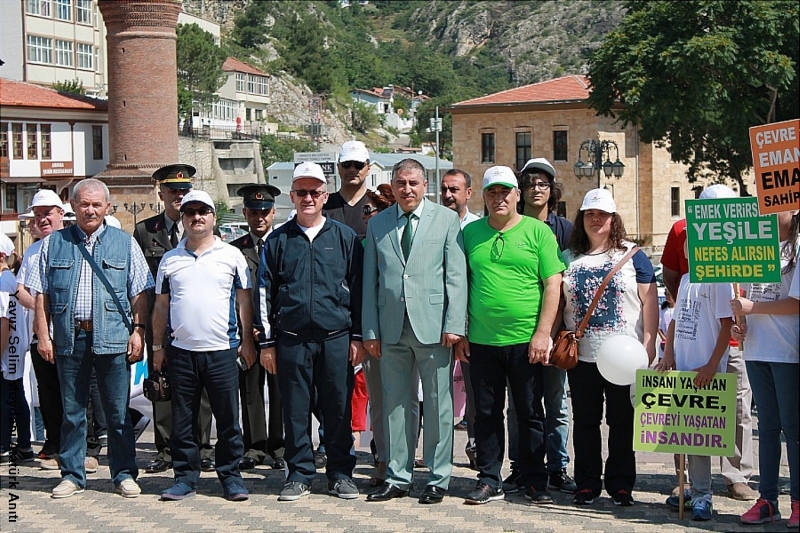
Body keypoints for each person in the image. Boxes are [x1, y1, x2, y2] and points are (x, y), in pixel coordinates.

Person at [31, 179, 152, 499]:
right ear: (72, 205)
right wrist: (44, 336)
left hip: (113, 337)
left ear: (107, 208)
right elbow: (40, 295)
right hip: (69, 339)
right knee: (72, 411)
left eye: (97, 205)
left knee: (117, 411)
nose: (90, 210)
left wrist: (138, 332)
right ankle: (72, 474)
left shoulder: (125, 243)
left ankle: (124, 473)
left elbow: (140, 292)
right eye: (84, 203)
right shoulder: (53, 243)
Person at [456, 166, 565, 505]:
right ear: (484, 196)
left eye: (505, 192)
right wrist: (461, 333)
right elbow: (459, 285)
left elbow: (553, 284)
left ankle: (534, 480)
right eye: (492, 192)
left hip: (525, 341)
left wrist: (543, 333)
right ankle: (489, 478)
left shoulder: (538, 232)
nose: (499, 198)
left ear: (517, 195)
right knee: (486, 414)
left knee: (530, 412)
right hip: (482, 341)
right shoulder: (470, 233)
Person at [362, 158, 467, 505]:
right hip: (391, 328)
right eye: (400, 183)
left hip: (434, 328)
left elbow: (456, 277)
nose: (407, 190)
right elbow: (370, 284)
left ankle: (438, 478)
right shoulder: (378, 225)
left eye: (413, 183)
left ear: (425, 186)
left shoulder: (447, 220)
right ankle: (397, 475)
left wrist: (454, 324)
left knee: (438, 403)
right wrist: (370, 331)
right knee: (395, 405)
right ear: (392, 186)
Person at [258, 162, 364, 502]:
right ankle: (300, 474)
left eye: (314, 192)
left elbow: (359, 290)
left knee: (337, 409)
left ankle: (340, 473)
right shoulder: (278, 240)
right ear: (292, 196)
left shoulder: (344, 237)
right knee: (296, 410)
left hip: (335, 338)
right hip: (291, 340)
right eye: (301, 192)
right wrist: (268, 343)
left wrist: (358, 337)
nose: (308, 198)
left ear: (324, 195)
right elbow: (265, 291)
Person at [152, 190, 254, 502]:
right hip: (181, 352)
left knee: (227, 419)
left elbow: (245, 301)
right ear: (181, 218)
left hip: (222, 350)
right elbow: (161, 306)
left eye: (203, 211)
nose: (197, 217)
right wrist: (157, 346)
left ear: (213, 217)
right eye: (190, 212)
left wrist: (247, 340)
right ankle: (185, 477)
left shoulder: (232, 256)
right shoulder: (170, 260)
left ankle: (231, 477)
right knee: (184, 420)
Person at [561, 188, 658, 507]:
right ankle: (586, 483)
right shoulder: (568, 257)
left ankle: (620, 484)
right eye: (590, 214)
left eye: (602, 215)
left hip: (624, 358)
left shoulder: (633, 255)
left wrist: (649, 344)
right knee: (585, 422)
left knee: (622, 423)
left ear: (613, 219)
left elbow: (649, 301)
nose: (596, 220)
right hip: (584, 356)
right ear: (581, 218)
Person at [660, 184, 757, 501]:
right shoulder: (680, 230)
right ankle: (687, 478)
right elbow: (672, 277)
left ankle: (736, 474)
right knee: (688, 409)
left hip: (735, 334)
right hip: (697, 335)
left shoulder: (747, 230)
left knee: (738, 406)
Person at [133, 164, 215, 474]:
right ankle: (166, 450)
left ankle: (204, 447)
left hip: (196, 321)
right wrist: (141, 329)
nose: (179, 196)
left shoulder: (203, 226)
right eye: (173, 191)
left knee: (202, 390)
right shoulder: (145, 231)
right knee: (161, 386)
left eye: (184, 191)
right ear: (161, 194)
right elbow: (140, 284)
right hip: (161, 323)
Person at [505, 157, 576, 495]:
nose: (537, 189)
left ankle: (557, 466)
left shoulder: (566, 230)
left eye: (543, 184)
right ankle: (519, 466)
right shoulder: (507, 224)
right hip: (517, 330)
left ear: (552, 190)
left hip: (556, 330)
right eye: (531, 183)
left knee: (556, 402)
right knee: (518, 405)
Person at [656, 244, 735, 521]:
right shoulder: (687, 279)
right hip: (683, 371)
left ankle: (703, 494)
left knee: (700, 439)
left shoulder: (719, 280)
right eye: (687, 241)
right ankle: (688, 486)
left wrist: (713, 365)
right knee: (681, 433)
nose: (690, 246)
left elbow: (727, 325)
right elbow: (677, 319)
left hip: (706, 371)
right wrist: (668, 354)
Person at [731, 211, 799, 527]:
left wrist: (753, 308)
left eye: (773, 207)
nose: (765, 213)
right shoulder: (757, 246)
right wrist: (740, 324)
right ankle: (768, 500)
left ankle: (797, 501)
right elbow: (744, 296)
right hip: (756, 350)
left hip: (789, 351)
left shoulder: (797, 247)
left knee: (793, 430)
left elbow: (796, 302)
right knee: (768, 430)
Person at [230, 183, 285, 472]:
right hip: (246, 333)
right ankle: (254, 446)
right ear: (245, 213)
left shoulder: (284, 243)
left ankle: (278, 446)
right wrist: (246, 329)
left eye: (264, 212)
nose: (259, 218)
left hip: (278, 332)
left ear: (273, 213)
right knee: (250, 390)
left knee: (279, 391)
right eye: (253, 212)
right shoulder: (234, 249)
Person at [358, 184, 404, 488]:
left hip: (407, 330)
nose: (365, 216)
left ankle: (404, 458)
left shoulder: (406, 240)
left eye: (370, 210)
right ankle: (384, 458)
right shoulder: (362, 244)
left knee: (404, 401)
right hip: (375, 331)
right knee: (378, 400)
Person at [440, 169, 479, 469]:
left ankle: (476, 446)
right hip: (436, 323)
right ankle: (434, 453)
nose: (448, 195)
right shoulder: (432, 225)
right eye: (444, 189)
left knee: (475, 393)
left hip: (473, 325)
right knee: (434, 393)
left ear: (468, 193)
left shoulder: (479, 229)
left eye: (455, 189)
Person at [1, 234, 33, 465]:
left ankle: (5, 444)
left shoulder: (4, 282)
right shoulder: (9, 280)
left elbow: (5, 321)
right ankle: (23, 443)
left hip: (7, 348)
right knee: (15, 394)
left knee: (6, 396)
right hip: (13, 347)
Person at [325, 140, 371, 240]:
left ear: (368, 168)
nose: (352, 169)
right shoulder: (324, 205)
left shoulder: (379, 204)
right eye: (347, 164)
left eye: (358, 165)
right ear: (338, 168)